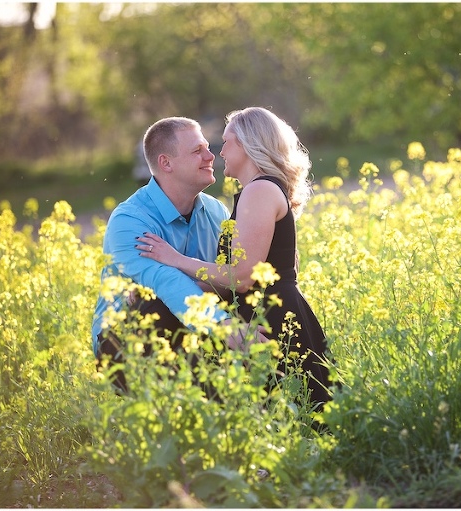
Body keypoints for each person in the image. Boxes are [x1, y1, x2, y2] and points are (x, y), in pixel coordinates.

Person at [136, 107, 332, 411]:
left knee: (292, 417)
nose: (219, 152)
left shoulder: (260, 190)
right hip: (268, 314)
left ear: (248, 145)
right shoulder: (259, 191)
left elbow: (241, 278)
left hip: (273, 321)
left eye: (227, 143)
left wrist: (174, 258)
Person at [92, 116, 265, 393]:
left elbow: (229, 279)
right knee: (156, 305)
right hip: (126, 343)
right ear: (166, 163)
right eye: (198, 151)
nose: (211, 156)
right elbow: (167, 284)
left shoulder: (216, 211)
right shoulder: (130, 221)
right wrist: (224, 325)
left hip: (196, 329)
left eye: (208, 148)